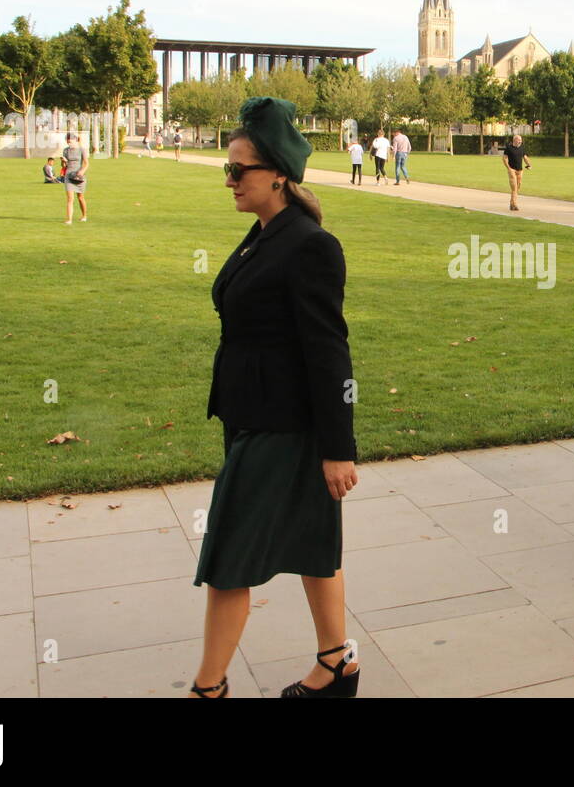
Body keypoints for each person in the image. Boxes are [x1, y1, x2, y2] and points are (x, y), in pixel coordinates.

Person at [193, 96, 360, 699]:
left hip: (284, 426)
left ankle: (207, 690)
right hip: (250, 415)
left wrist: (338, 449)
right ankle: (337, 664)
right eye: (228, 169)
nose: (231, 179)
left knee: (228, 556)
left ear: (279, 176)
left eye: (241, 170)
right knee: (315, 539)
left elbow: (330, 354)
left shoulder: (309, 245)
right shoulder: (263, 234)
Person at [62, 133, 88, 223]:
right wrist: (63, 161)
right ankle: (69, 219)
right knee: (70, 198)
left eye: (70, 140)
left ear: (75, 140)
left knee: (80, 197)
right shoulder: (65, 150)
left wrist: (82, 172)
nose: (69, 142)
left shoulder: (82, 150)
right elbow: (64, 166)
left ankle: (84, 215)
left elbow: (86, 163)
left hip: (79, 176)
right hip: (69, 175)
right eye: (67, 140)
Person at [503, 135, 530, 211]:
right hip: (512, 170)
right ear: (515, 140)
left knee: (518, 187)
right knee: (514, 187)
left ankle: (512, 203)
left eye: (521, 140)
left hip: (520, 170)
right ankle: (514, 205)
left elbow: (525, 157)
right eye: (519, 140)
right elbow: (504, 158)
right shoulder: (509, 148)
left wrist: (529, 164)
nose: (520, 141)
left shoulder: (521, 147)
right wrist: (508, 168)